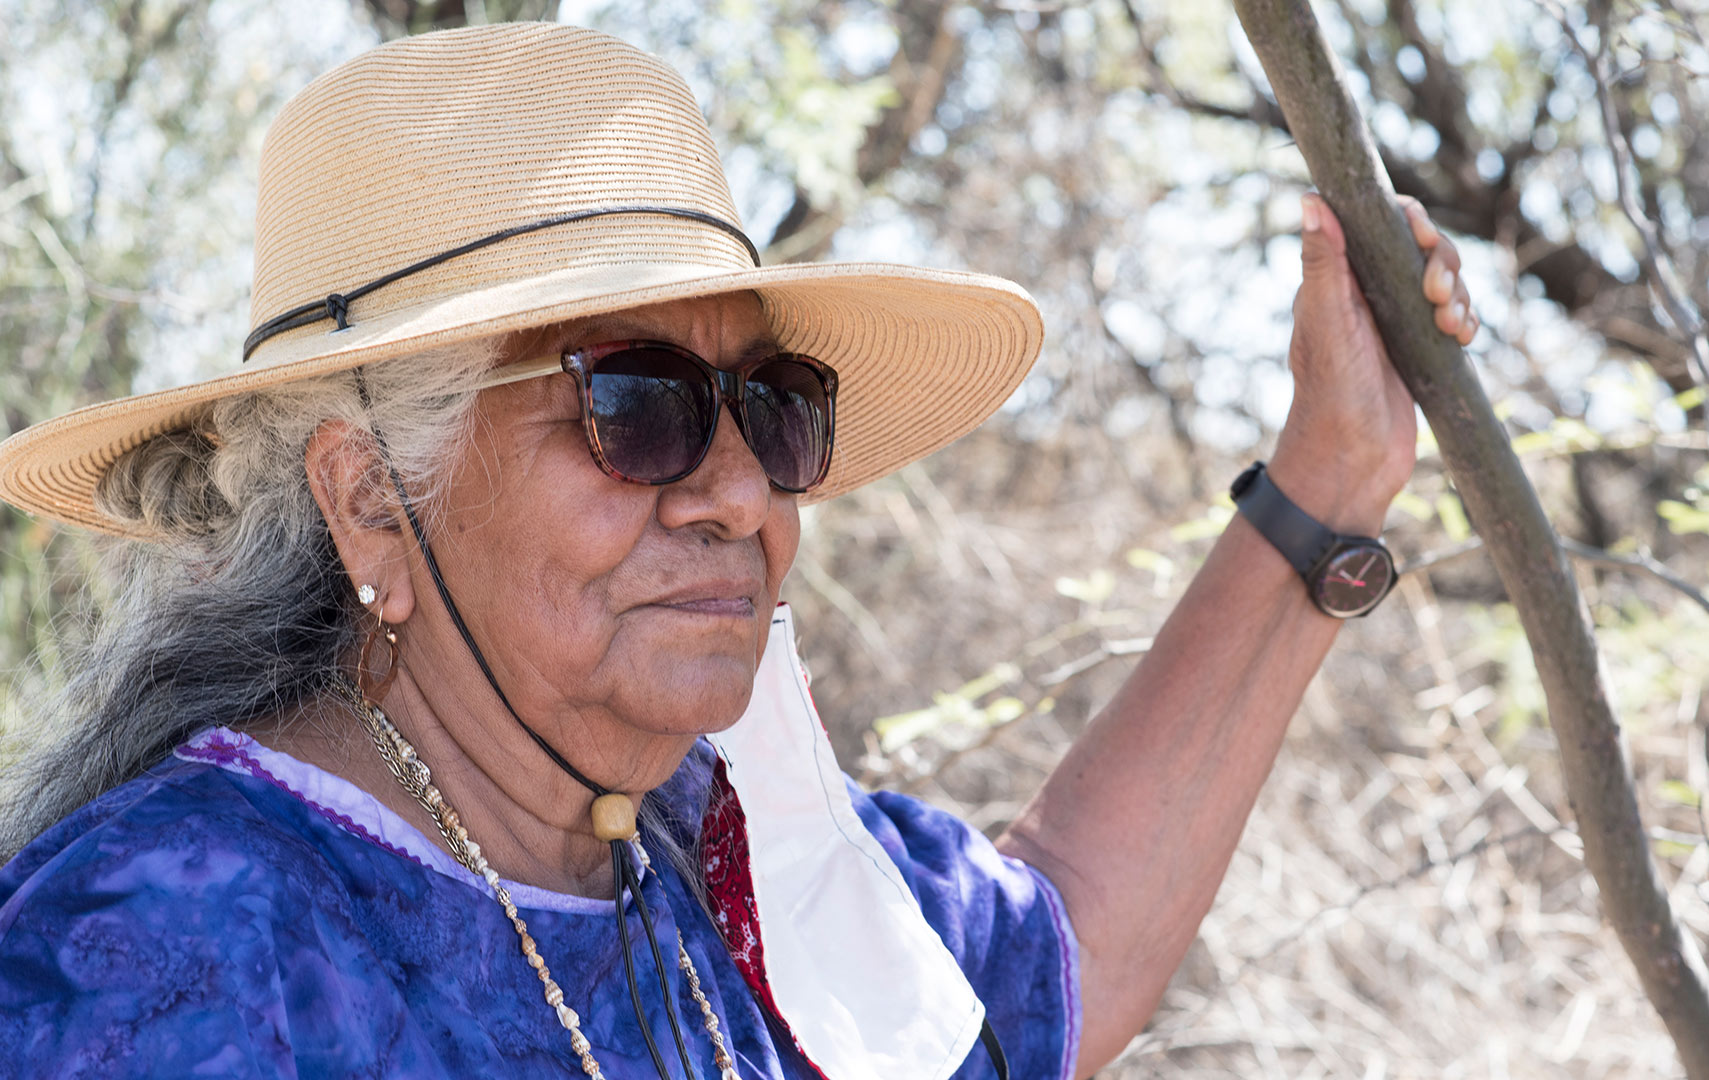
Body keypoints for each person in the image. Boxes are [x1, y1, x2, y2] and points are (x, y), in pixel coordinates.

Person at [0, 22, 1475, 1080]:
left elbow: (1044, 965)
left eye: (774, 412)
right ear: (372, 493)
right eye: (634, 408)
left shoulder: (716, 842)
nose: (738, 496)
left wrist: (1330, 476)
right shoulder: (159, 954)